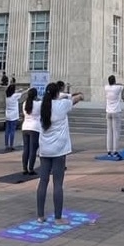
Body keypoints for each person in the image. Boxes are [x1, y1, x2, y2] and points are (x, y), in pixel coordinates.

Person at [36, 83, 83, 223]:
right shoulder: (62, 105)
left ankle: (40, 216)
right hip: (59, 150)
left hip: (45, 149)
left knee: (43, 182)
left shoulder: (41, 106)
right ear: (58, 93)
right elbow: (77, 99)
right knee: (57, 183)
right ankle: (58, 217)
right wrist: (76, 94)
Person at [20, 87, 40, 176]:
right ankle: (31, 168)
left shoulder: (25, 103)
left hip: (25, 126)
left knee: (26, 149)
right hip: (35, 127)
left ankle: (24, 168)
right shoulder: (38, 103)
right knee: (33, 149)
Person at [104, 75, 124, 160]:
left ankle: (109, 151)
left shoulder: (106, 87)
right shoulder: (118, 88)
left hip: (108, 111)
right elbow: (123, 85)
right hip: (116, 111)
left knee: (109, 132)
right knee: (116, 132)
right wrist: (117, 83)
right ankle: (115, 151)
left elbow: (111, 85)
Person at [4, 83, 23, 151]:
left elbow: (13, 92)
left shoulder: (7, 96)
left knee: (7, 131)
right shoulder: (15, 96)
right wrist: (27, 90)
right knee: (12, 131)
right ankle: (11, 145)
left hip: (8, 115)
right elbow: (22, 93)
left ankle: (6, 145)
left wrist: (18, 90)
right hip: (14, 115)